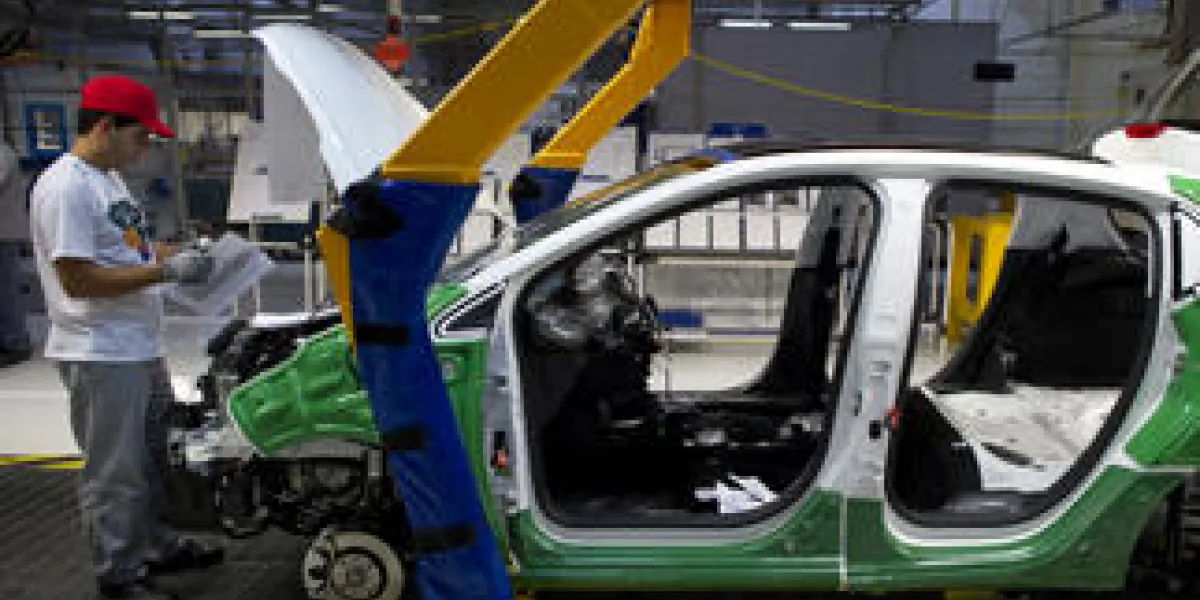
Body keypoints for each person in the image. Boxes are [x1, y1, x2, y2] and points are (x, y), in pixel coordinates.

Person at [28, 75, 223, 600]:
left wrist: (177, 254)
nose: (144, 151)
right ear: (106, 127)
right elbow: (79, 278)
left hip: (138, 345)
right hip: (99, 352)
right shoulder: (67, 187)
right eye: (141, 138)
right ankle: (118, 572)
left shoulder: (107, 179)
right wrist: (167, 274)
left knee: (154, 456)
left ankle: (155, 545)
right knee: (115, 471)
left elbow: (128, 248)